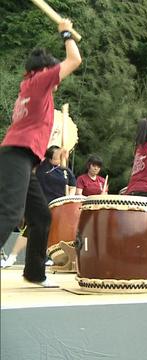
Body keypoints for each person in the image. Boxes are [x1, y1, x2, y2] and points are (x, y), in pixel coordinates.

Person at [0, 19, 82, 287]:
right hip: (16, 156)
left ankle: (34, 273)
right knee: (10, 213)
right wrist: (66, 31)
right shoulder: (39, 81)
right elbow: (75, 59)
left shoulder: (28, 87)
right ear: (46, 69)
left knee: (41, 217)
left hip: (24, 159)